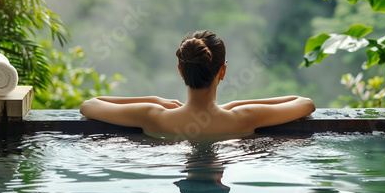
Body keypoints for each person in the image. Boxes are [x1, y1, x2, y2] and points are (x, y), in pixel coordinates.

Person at [80, 30, 315, 138]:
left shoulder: (153, 115)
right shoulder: (244, 116)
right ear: (222, 71)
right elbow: (305, 104)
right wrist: (237, 105)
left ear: (181, 70)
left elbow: (89, 105)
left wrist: (155, 100)